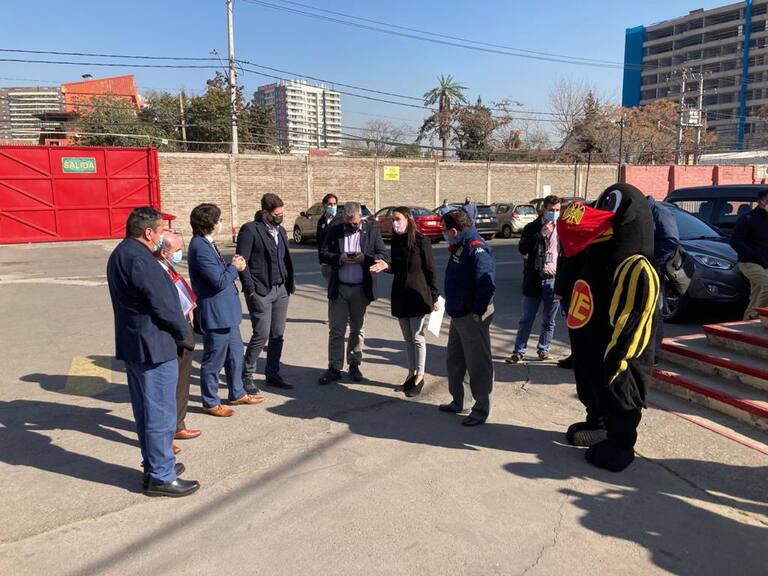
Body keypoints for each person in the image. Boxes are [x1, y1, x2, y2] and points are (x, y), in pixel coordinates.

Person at [558, 184, 659, 472]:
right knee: (590, 383)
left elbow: (635, 319)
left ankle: (620, 442)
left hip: (617, 352)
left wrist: (619, 357)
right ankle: (598, 424)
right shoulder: (595, 257)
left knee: (617, 389)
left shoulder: (636, 266)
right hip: (591, 343)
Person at [106, 207, 199, 497]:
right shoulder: (141, 260)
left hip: (137, 345)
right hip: (154, 347)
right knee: (159, 413)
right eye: (161, 231)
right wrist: (183, 333)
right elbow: (163, 305)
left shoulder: (122, 253)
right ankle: (161, 475)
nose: (163, 236)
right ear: (148, 233)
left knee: (147, 413)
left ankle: (156, 464)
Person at [187, 203, 264, 417]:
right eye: (219, 220)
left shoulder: (207, 243)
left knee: (235, 355)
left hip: (227, 312)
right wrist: (235, 268)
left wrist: (231, 265)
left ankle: (237, 392)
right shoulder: (199, 247)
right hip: (216, 313)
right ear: (211, 224)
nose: (221, 224)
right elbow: (218, 281)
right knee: (214, 360)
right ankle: (210, 401)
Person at [370, 207, 440, 397]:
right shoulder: (397, 240)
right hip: (400, 293)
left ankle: (420, 375)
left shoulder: (422, 240)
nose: (395, 223)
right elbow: (397, 267)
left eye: (398, 219)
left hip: (418, 294)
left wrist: (435, 297)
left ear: (408, 219)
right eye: (393, 220)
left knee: (417, 337)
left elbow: (430, 270)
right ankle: (411, 373)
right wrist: (386, 266)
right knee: (408, 338)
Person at [318, 201, 388, 385]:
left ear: (360, 218)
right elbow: (323, 254)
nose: (352, 226)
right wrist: (338, 258)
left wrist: (365, 259)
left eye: (355, 223)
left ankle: (354, 365)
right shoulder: (335, 230)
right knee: (336, 330)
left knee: (357, 329)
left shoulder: (371, 231)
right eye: (349, 223)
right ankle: (334, 367)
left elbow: (382, 254)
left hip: (360, 289)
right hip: (339, 287)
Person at [438, 208, 496, 426]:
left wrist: (477, 311)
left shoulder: (476, 248)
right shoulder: (460, 245)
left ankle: (480, 409)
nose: (443, 235)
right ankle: (458, 401)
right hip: (459, 313)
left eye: (445, 231)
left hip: (472, 315)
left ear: (455, 230)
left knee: (478, 364)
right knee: (456, 359)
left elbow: (486, 283)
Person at [236, 193, 295, 393]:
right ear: (265, 213)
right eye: (276, 214)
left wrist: (288, 284)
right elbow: (241, 263)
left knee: (277, 334)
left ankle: (273, 373)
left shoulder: (282, 232)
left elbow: (285, 259)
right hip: (261, 290)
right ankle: (247, 376)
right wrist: (250, 290)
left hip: (281, 289)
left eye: (282, 213)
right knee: (261, 334)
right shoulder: (250, 230)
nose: (280, 216)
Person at [154, 231, 202, 451]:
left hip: (184, 329)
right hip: (169, 334)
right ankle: (164, 436)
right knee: (167, 387)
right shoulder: (155, 271)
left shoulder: (169, 267)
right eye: (177, 250)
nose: (180, 254)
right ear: (164, 252)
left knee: (183, 380)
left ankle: (178, 425)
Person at [507, 195, 561, 363]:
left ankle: (543, 349)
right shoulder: (532, 227)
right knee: (527, 318)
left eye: (557, 210)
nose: (554, 213)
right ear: (543, 209)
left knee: (549, 320)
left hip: (553, 279)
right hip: (534, 279)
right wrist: (540, 234)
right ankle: (519, 351)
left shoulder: (563, 229)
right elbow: (522, 248)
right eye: (551, 210)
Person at [647, 196, 680, 360]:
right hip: (643, 268)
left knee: (655, 312)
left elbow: (670, 241)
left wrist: (649, 260)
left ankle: (654, 353)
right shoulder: (644, 212)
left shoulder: (658, 212)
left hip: (655, 269)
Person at [730, 189, 768, 320]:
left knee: (757, 294)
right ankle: (756, 315)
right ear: (760, 202)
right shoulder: (747, 219)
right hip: (749, 262)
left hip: (765, 262)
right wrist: (755, 255)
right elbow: (735, 241)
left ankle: (747, 321)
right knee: (767, 286)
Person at [317, 193, 339, 284]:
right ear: (324, 205)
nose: (332, 206)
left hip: (338, 260)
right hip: (326, 262)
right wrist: (321, 260)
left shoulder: (340, 219)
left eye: (334, 204)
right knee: (330, 289)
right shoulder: (321, 221)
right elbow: (319, 241)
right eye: (330, 204)